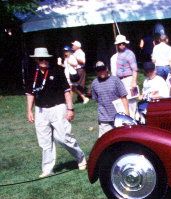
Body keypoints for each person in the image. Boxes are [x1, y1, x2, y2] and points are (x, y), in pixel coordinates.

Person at [25, 47, 86, 177]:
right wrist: (29, 110)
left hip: (58, 107)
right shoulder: (31, 73)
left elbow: (67, 91)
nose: (44, 61)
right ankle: (47, 168)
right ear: (36, 60)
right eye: (41, 59)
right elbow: (30, 93)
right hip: (41, 110)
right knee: (44, 141)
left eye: (46, 59)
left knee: (63, 137)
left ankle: (80, 157)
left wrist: (70, 109)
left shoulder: (57, 71)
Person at [91, 60, 129, 137]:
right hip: (104, 118)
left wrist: (127, 114)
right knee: (105, 141)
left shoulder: (115, 80)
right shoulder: (94, 83)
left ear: (107, 69)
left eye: (103, 69)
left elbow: (123, 97)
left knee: (122, 139)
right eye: (98, 70)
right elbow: (97, 99)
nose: (101, 71)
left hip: (119, 116)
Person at [110, 34, 139, 116]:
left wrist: (134, 81)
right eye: (119, 44)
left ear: (125, 44)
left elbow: (135, 69)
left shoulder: (130, 54)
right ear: (117, 45)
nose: (121, 45)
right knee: (123, 101)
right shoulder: (116, 56)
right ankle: (127, 117)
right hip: (120, 80)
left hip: (129, 79)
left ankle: (135, 119)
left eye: (123, 43)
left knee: (132, 101)